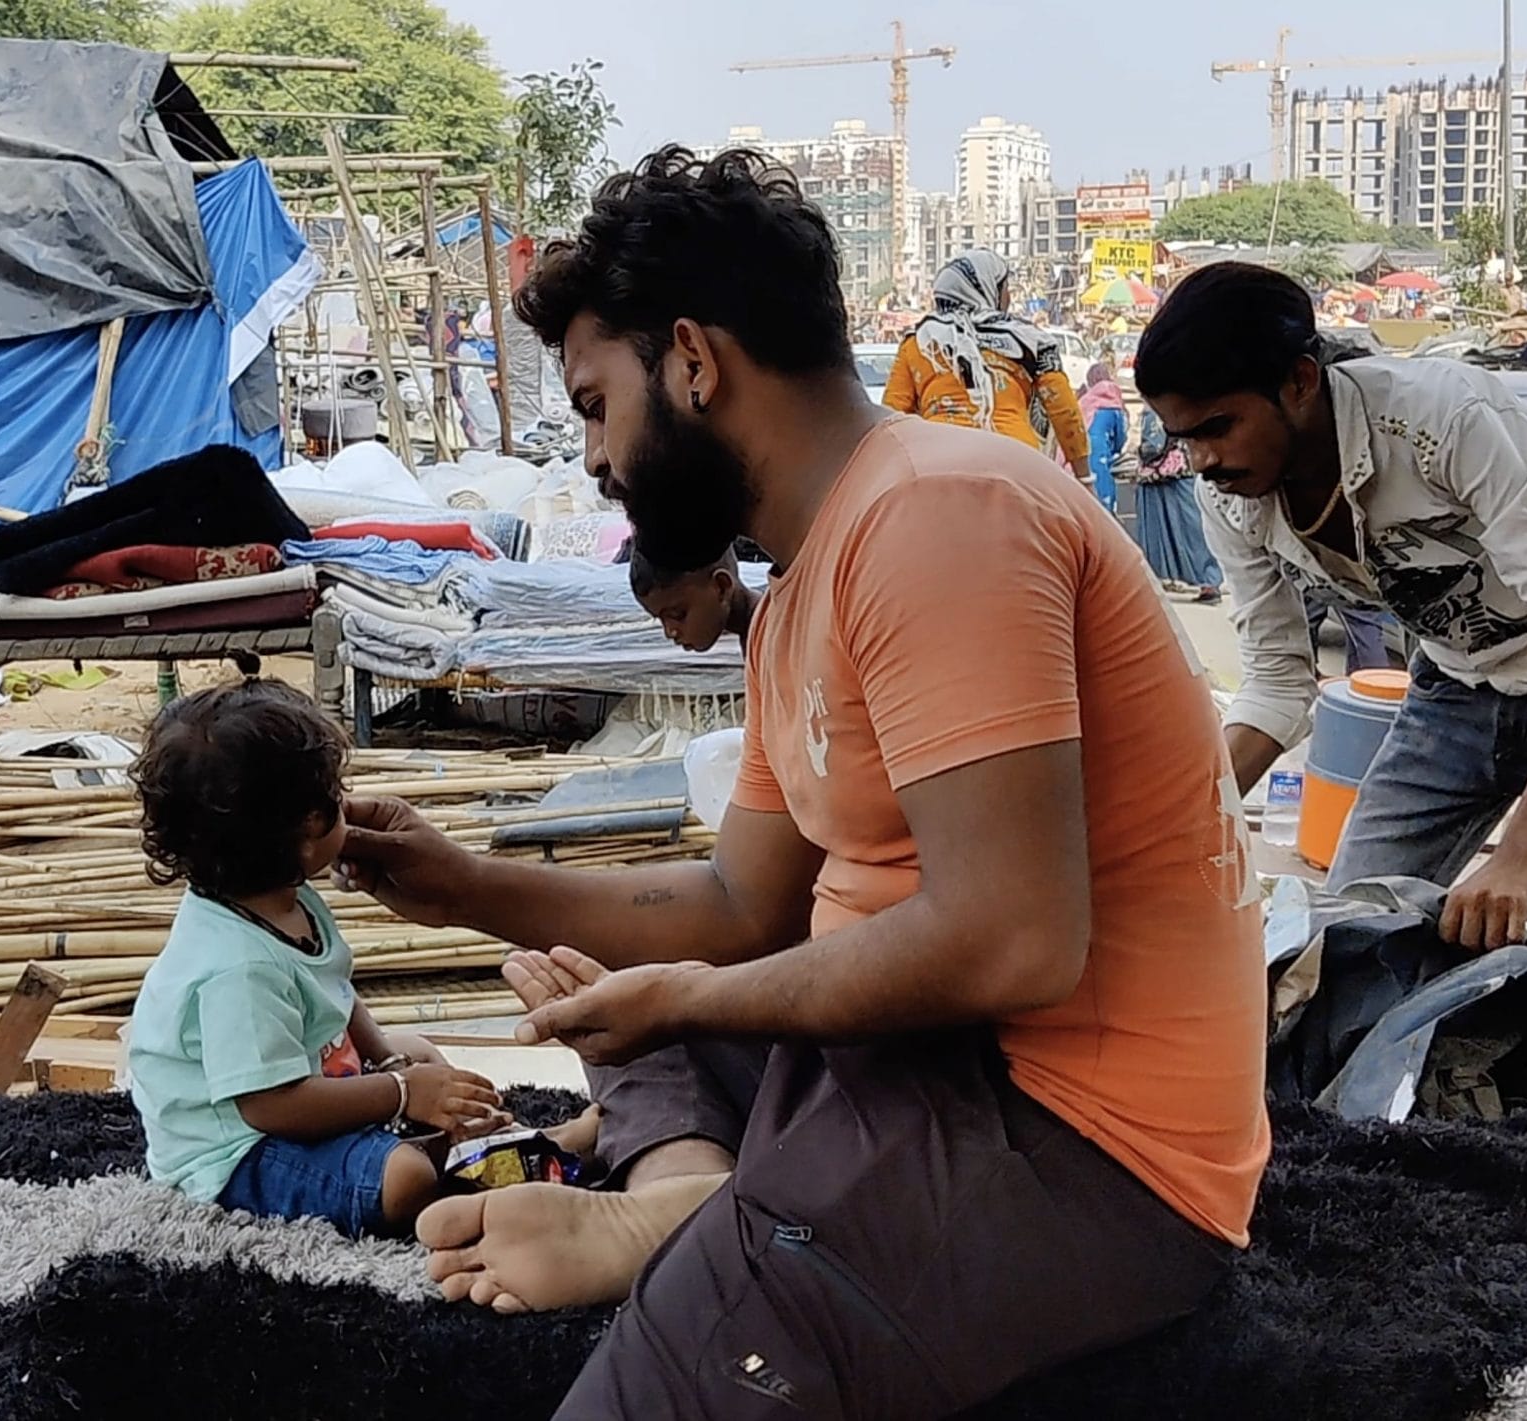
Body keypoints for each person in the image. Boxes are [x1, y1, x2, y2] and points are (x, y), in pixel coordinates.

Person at [336, 146, 1267, 1420]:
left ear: (692, 361)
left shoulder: (941, 514)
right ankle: (689, 1197)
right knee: (627, 1015)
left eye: (597, 405)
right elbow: (740, 904)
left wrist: (699, 995)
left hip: (1077, 1146)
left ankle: (701, 1222)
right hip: (922, 1061)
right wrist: (465, 886)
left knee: (658, 1365)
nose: (596, 461)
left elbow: (1011, 942)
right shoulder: (793, 600)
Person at [1138, 262, 1527, 959]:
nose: (1200, 460)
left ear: (1300, 381)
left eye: (1217, 426)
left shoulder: (1441, 418)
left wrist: (1522, 852)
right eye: (1181, 437)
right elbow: (1278, 683)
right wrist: (1167, 830)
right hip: (1458, 683)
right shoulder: (1229, 497)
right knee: (1340, 941)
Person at [125, 679, 510, 1239]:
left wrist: (387, 1061)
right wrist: (401, 1093)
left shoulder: (280, 894)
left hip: (299, 1077)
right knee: (402, 1177)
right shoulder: (238, 967)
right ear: (309, 829)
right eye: (337, 794)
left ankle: (470, 1144)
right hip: (239, 1148)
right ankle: (464, 1170)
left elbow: (333, 988)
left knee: (420, 1052)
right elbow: (270, 1106)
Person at [885, 250, 1092, 473]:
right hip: (1018, 464)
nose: (1009, 297)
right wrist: (1085, 480)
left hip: (939, 467)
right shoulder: (1030, 339)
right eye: (1004, 288)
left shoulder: (920, 341)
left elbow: (890, 418)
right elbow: (1065, 414)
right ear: (988, 288)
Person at [1132, 407, 1224, 602]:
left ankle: (1200, 580)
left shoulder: (1154, 406)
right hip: (1180, 469)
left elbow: (1150, 445)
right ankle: (1208, 581)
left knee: (1179, 527)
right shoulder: (1182, 400)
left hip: (1160, 473)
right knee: (1192, 526)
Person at [628, 543, 760, 653]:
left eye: (677, 615)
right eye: (660, 619)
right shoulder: (754, 634)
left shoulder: (773, 639)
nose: (670, 633)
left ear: (721, 587)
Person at [1083, 360, 1131, 510]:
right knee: (1104, 507)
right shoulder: (1113, 402)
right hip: (1101, 460)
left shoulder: (1085, 401)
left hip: (1080, 461)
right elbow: (1120, 438)